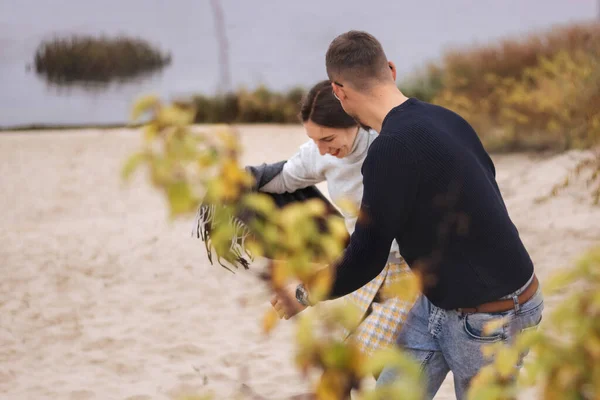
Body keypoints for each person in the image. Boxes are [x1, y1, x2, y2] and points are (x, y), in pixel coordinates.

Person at [271, 31, 544, 399]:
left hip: (490, 316)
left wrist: (303, 295)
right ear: (391, 70)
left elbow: (366, 258)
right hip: (437, 302)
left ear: (338, 91)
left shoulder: (389, 151)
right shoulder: (447, 119)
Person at [264, 79, 415, 358]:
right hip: (366, 267)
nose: (321, 149)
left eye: (328, 139)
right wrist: (234, 186)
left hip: (410, 272)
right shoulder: (321, 154)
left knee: (356, 360)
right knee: (330, 359)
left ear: (354, 121)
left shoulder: (387, 146)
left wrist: (303, 294)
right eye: (314, 140)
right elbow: (283, 178)